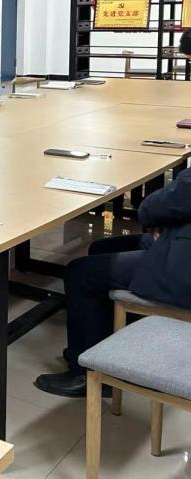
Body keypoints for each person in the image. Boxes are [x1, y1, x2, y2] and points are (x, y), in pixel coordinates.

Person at [34, 170, 191, 397]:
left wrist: (155, 213)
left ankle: (87, 375)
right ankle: (107, 350)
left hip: (183, 263)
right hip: (181, 238)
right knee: (101, 248)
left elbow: (173, 197)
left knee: (80, 273)